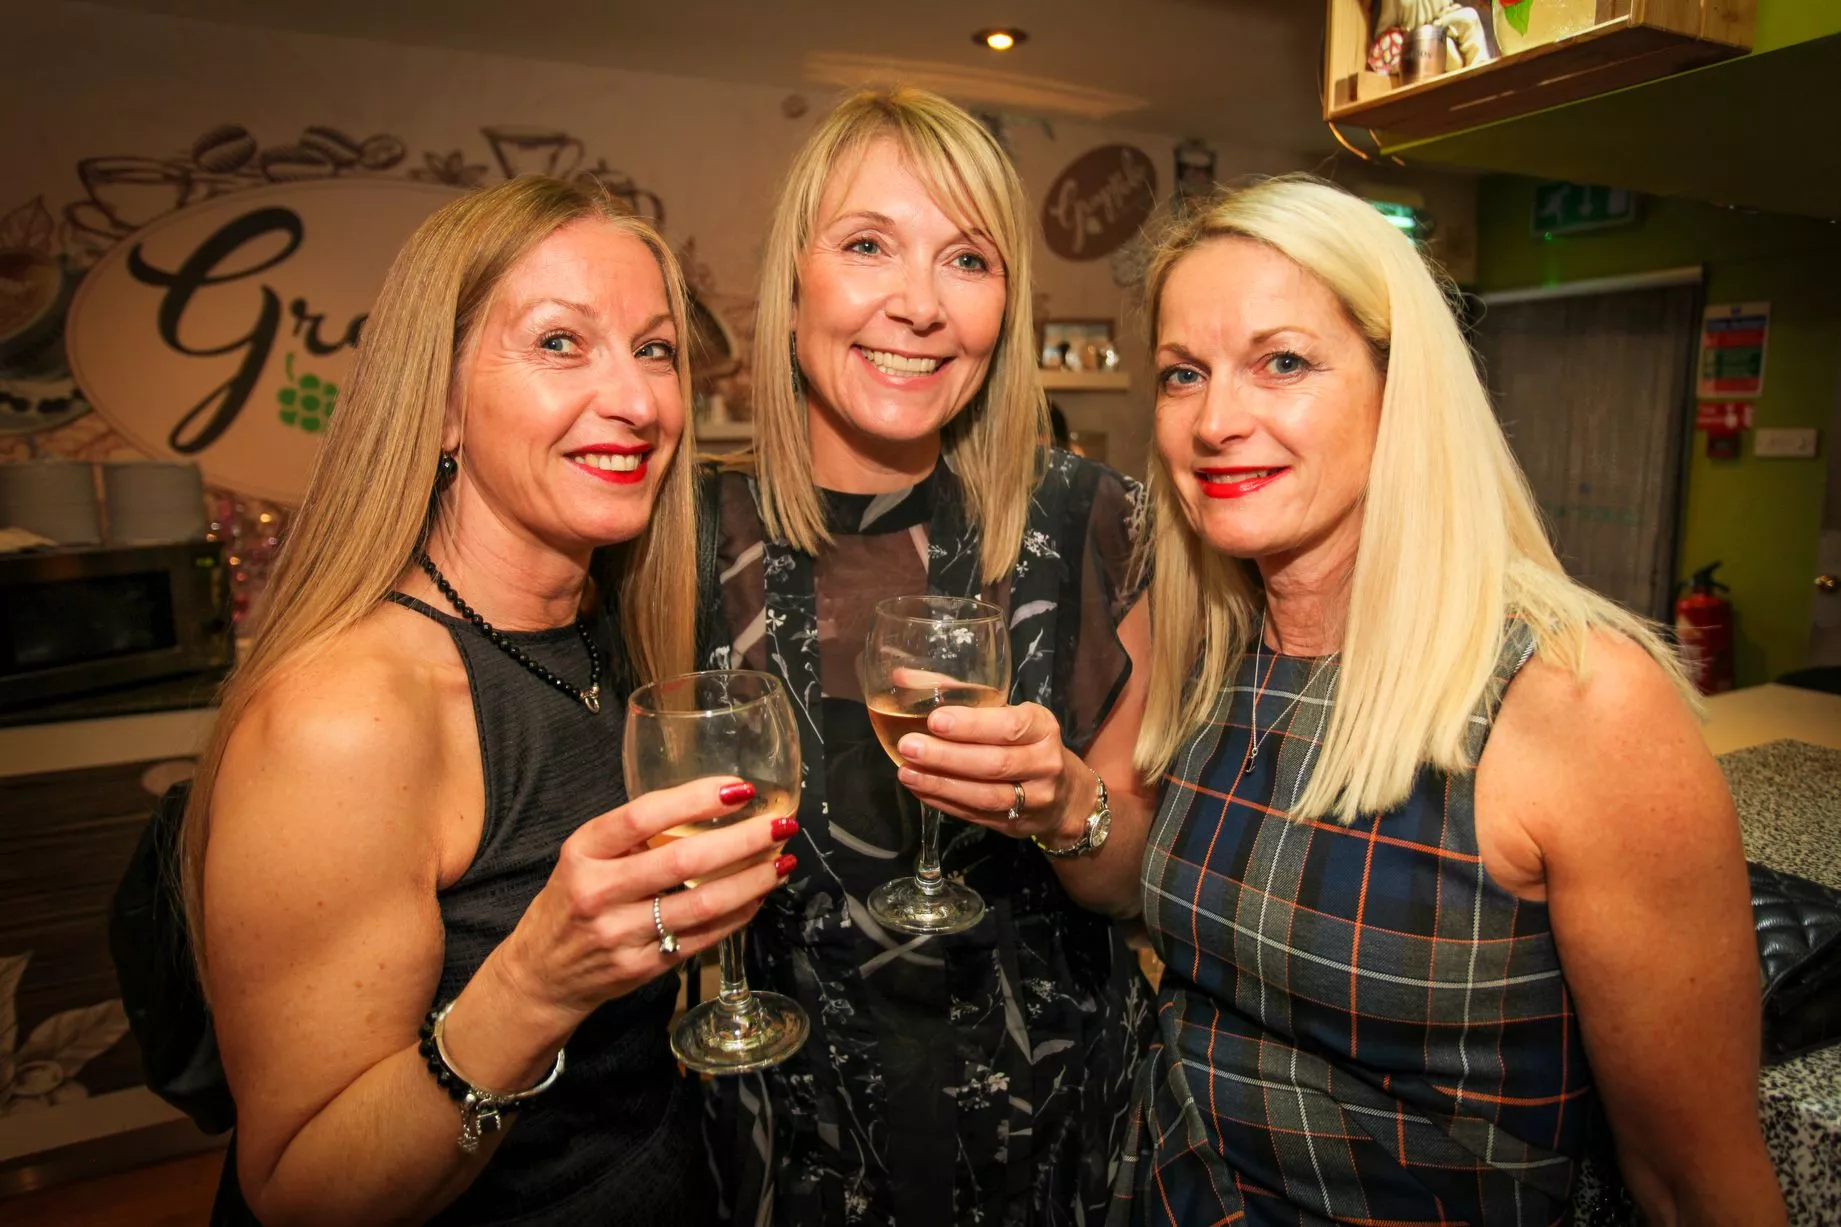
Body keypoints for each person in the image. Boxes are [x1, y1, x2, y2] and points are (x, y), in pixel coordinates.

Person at [1108, 176, 1785, 1226]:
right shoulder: (1212, 651)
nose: (1216, 420)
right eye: (1181, 374)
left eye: (1282, 362)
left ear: (1401, 388)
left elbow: (1691, 1181)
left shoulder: (1575, 699)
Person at [179, 176, 795, 1226]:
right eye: (560, 342)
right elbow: (299, 1193)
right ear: (440, 405)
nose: (640, 401)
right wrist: (536, 986)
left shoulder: (603, 632)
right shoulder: (347, 718)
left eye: (654, 349)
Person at [700, 87, 1156, 1225]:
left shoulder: (1092, 522)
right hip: (783, 1153)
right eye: (867, 245)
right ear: (792, 284)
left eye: (966, 259)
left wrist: (1067, 806)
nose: (917, 304)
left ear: (1006, 303)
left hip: (1054, 1150)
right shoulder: (688, 542)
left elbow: (1130, 881)